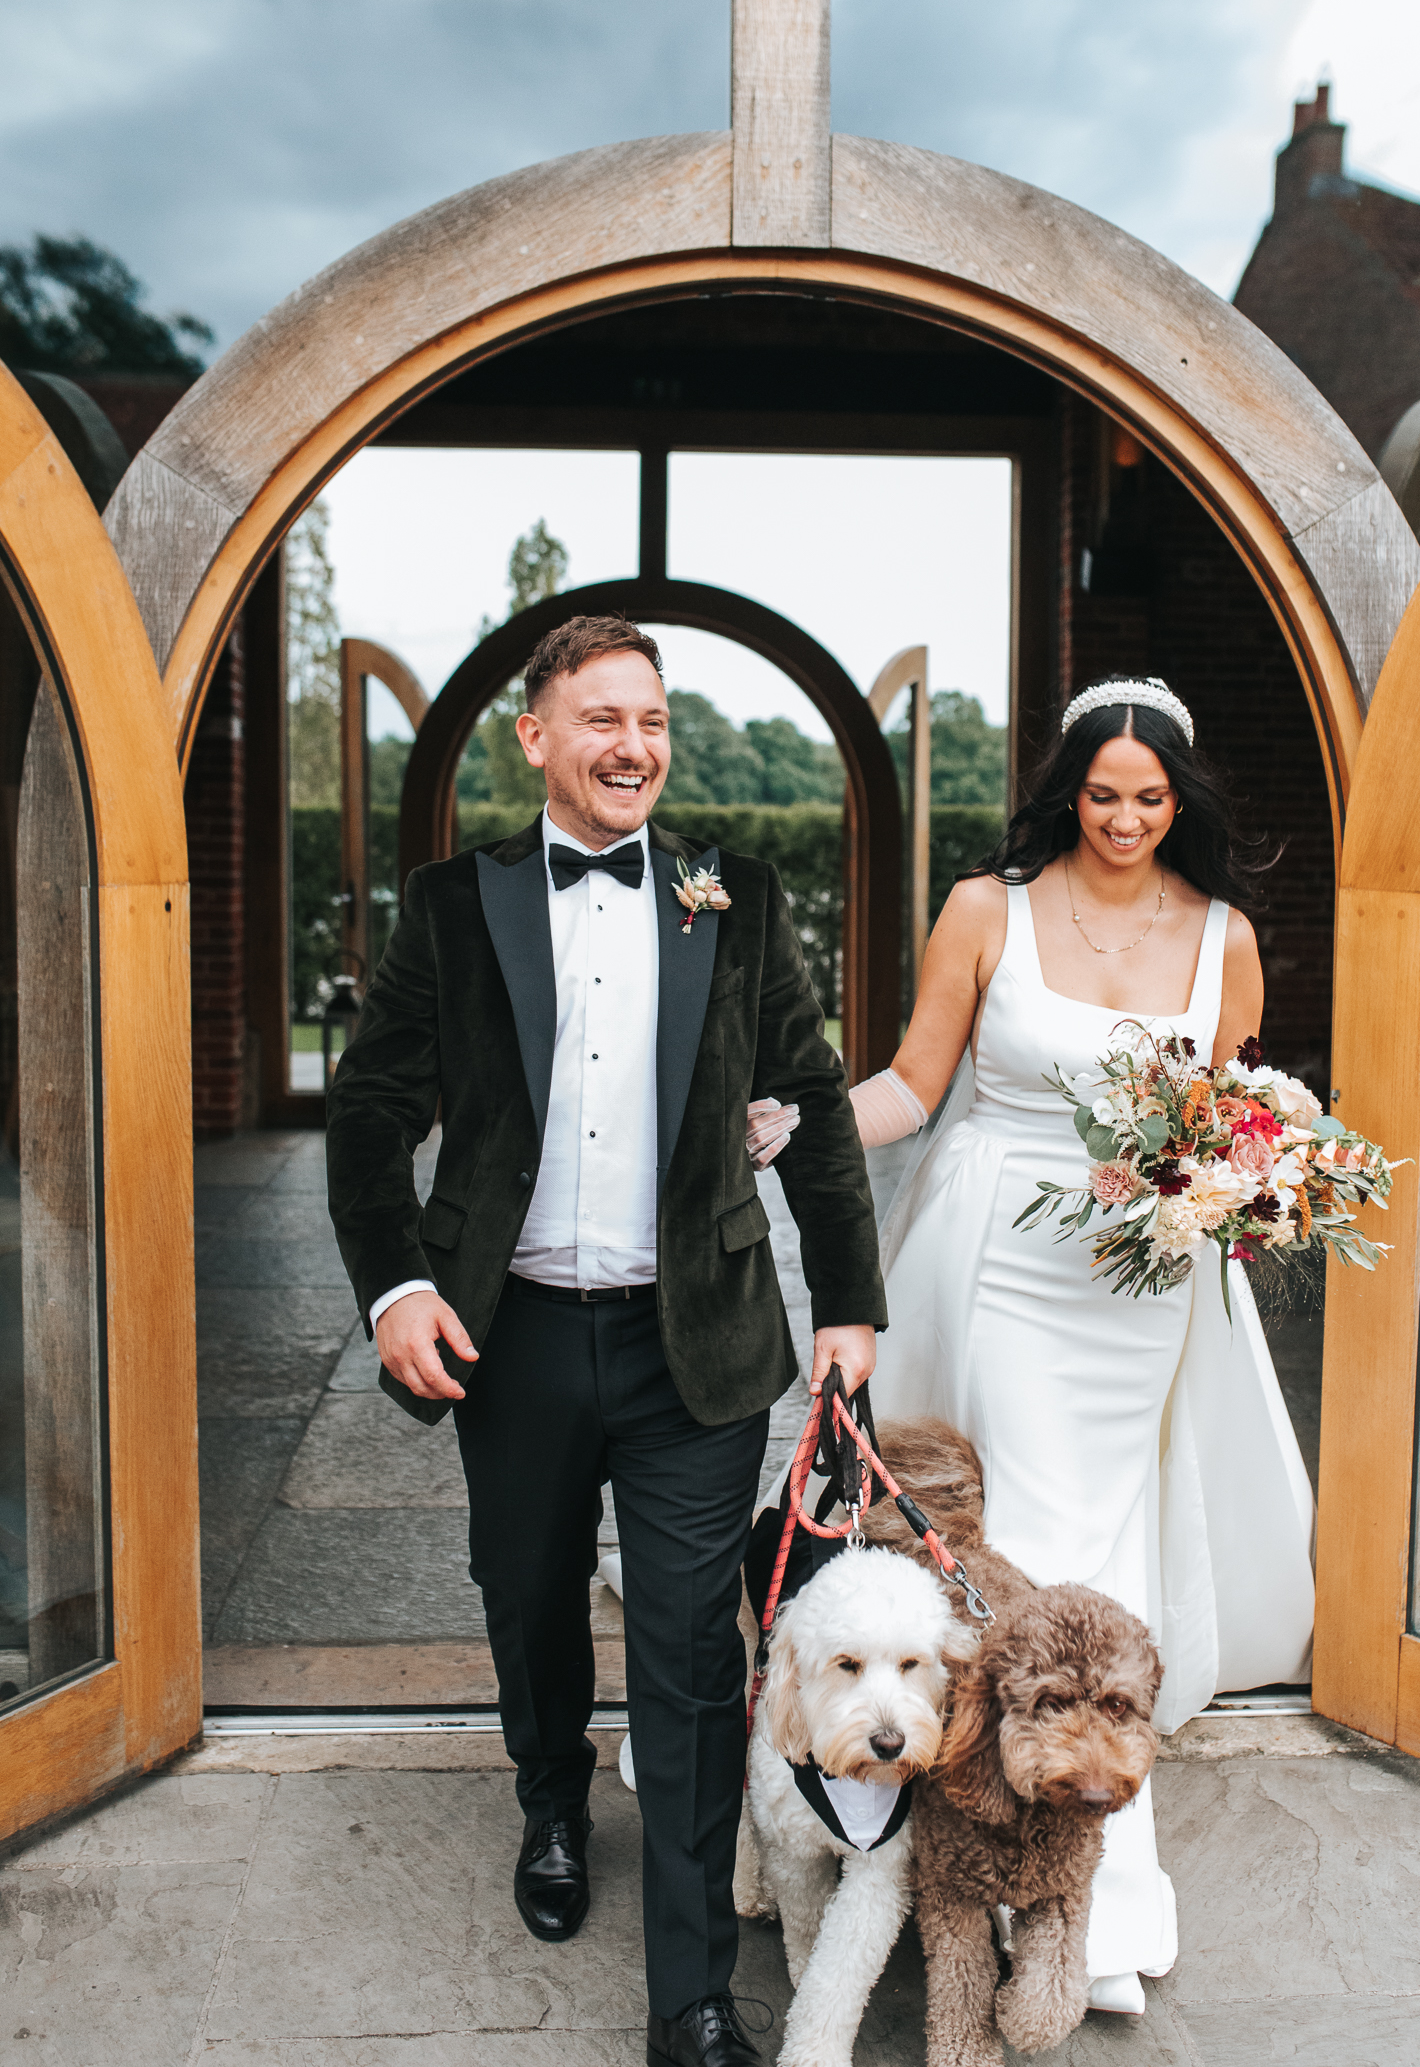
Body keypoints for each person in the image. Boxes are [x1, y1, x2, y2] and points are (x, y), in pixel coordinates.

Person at [325, 614, 884, 2067]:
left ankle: (690, 1995)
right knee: (525, 1592)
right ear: (537, 736)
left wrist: (849, 1304)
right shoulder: (457, 903)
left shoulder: (734, 898)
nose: (632, 745)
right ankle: (551, 1796)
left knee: (695, 1648)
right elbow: (371, 1111)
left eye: (651, 720)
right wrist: (395, 1288)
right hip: (502, 1335)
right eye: (601, 719)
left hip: (690, 1338)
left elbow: (812, 1103)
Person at [846, 676, 1316, 2016]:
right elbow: (912, 1084)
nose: (1123, 818)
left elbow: (1235, 1123)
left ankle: (1089, 1886)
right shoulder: (986, 908)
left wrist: (1247, 1184)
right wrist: (798, 1120)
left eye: (1149, 798)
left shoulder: (1222, 932)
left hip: (1139, 1286)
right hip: (1003, 1257)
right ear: (1068, 789)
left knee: (1106, 1559)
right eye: (1101, 794)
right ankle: (983, 1854)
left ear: (1182, 800)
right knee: (1021, 1549)